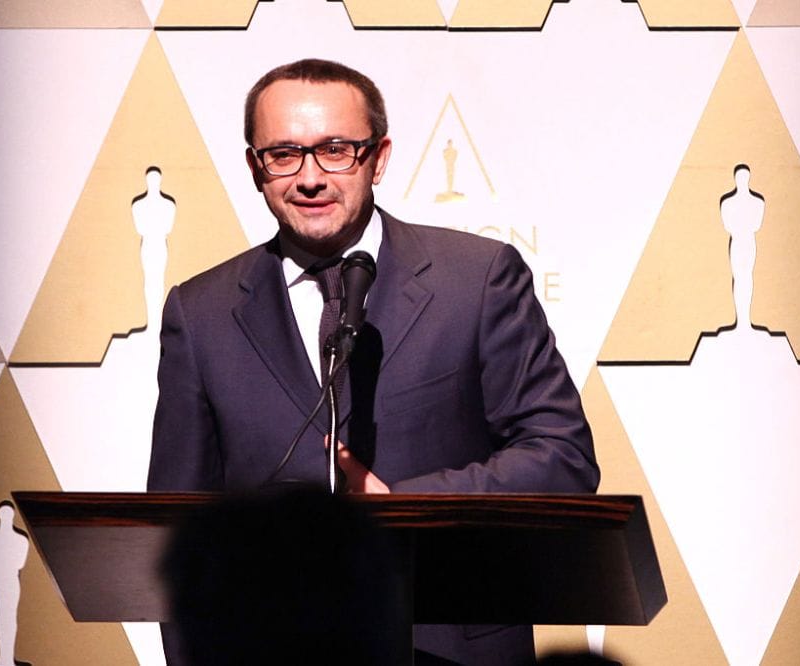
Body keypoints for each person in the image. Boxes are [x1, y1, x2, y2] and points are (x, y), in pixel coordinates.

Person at [148, 58, 599, 666]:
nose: (310, 177)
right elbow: (179, 527)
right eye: (284, 154)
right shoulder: (199, 313)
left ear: (379, 158)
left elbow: (561, 456)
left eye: (335, 150)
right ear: (256, 169)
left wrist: (403, 509)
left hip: (447, 646)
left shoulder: (478, 279)